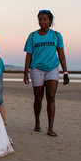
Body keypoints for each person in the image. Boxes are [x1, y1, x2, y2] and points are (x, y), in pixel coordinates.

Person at [23, 9, 69, 137]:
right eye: (40, 19)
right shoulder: (32, 36)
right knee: (38, 99)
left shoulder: (56, 35)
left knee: (51, 97)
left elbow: (61, 54)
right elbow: (29, 55)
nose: (42, 21)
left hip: (52, 69)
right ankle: (37, 122)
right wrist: (25, 72)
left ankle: (50, 128)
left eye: (45, 19)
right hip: (37, 69)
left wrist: (65, 72)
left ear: (50, 21)